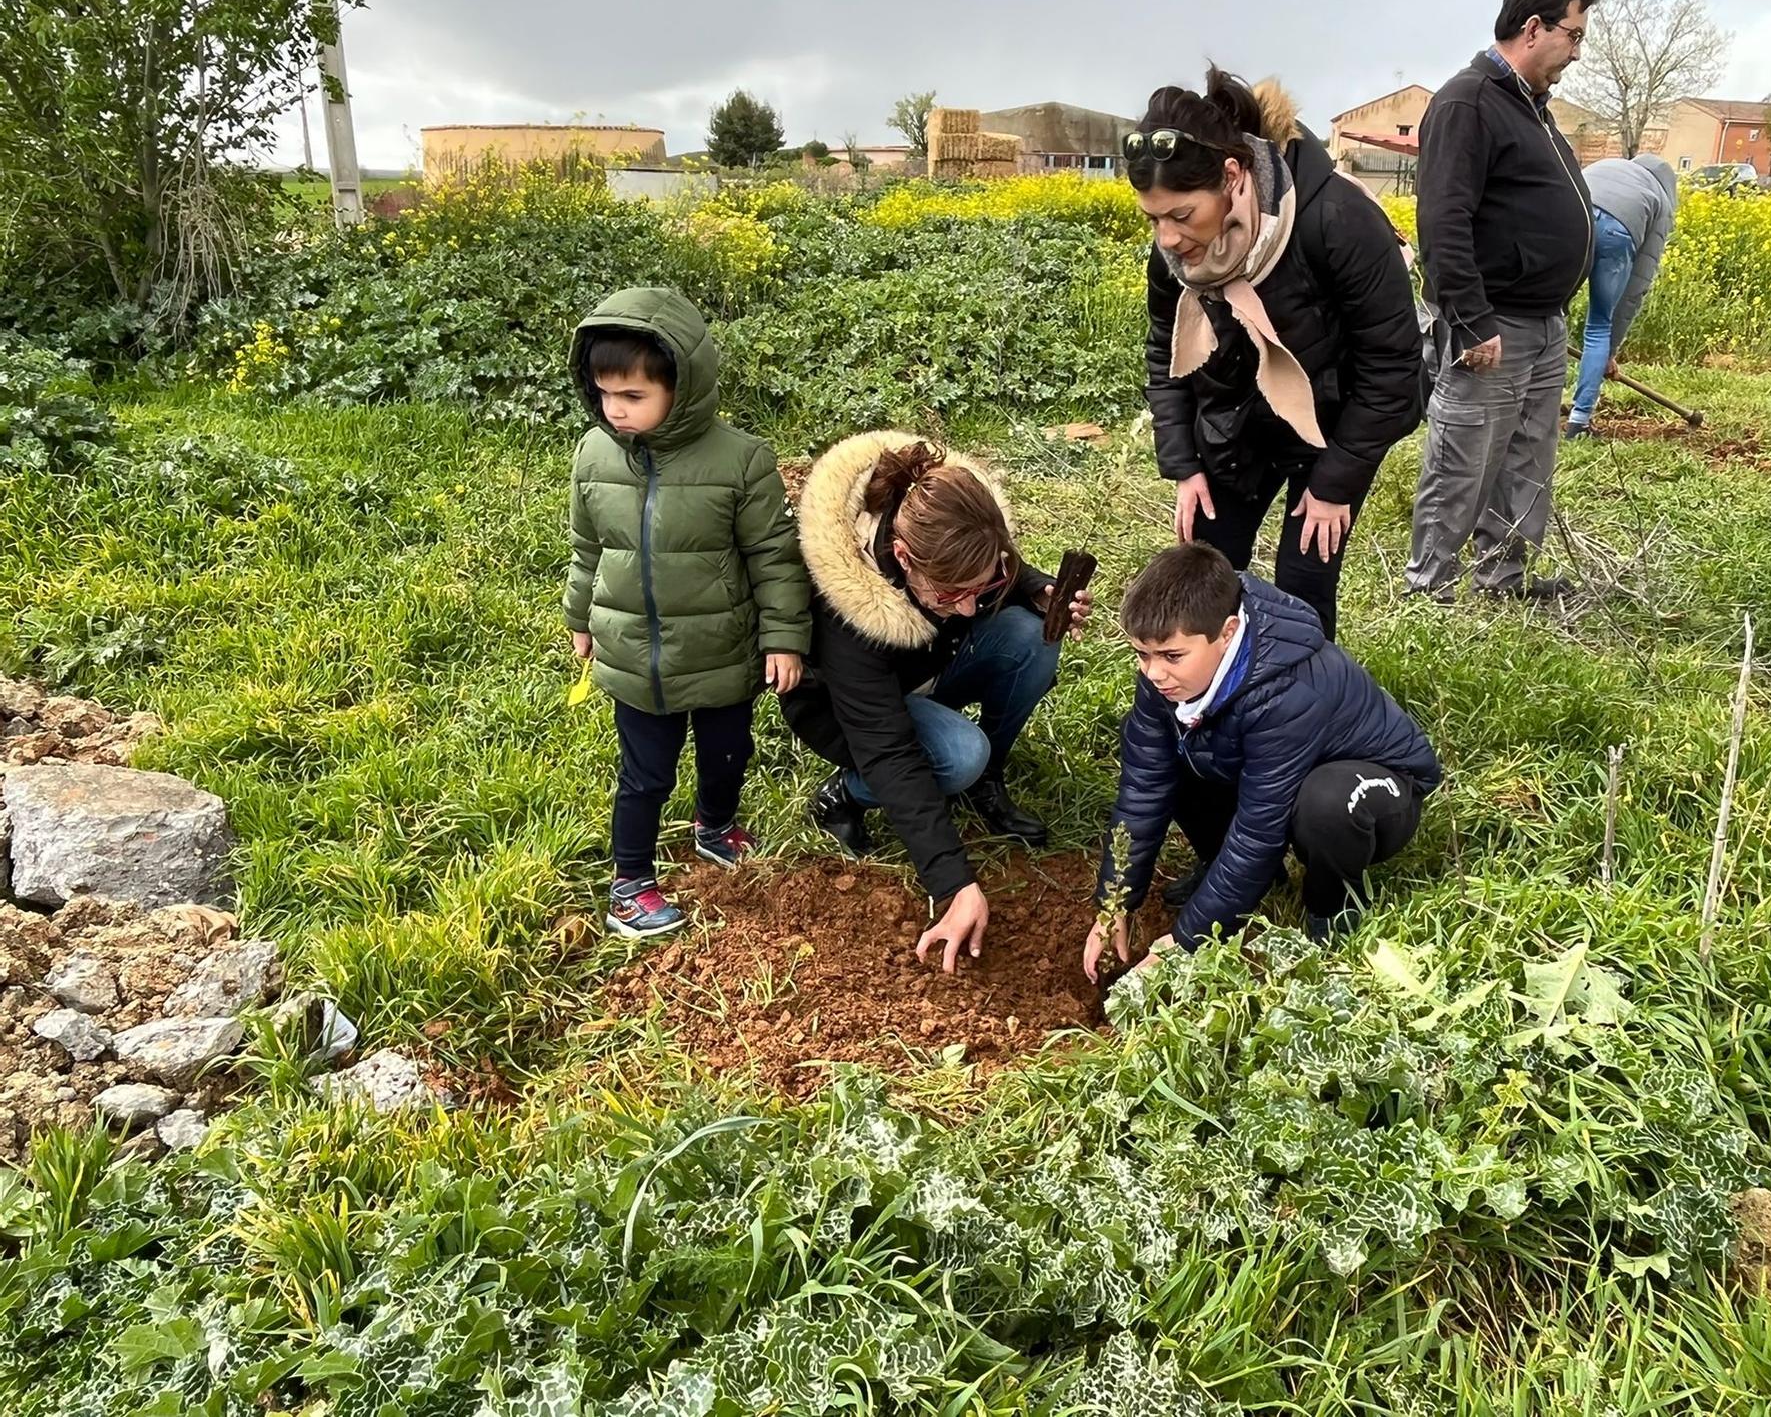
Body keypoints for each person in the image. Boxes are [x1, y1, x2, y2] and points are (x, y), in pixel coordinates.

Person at [1130, 67, 1422, 641]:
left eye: (1182, 215)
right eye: (1154, 218)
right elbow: (1165, 357)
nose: (1167, 238)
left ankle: (1300, 714)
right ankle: (1210, 712)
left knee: (1301, 585)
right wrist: (1184, 464)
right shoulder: (1175, 259)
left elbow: (1394, 367)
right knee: (1208, 574)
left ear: (1233, 176)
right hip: (1236, 422)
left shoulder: (1334, 220)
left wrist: (1335, 483)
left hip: (1333, 425)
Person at [784, 431, 1090, 973]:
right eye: (950, 594)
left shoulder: (955, 529)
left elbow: (997, 573)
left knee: (1028, 639)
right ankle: (845, 794)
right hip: (853, 714)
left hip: (925, 667)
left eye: (983, 584)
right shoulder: (848, 607)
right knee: (957, 756)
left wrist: (1036, 588)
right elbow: (890, 751)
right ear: (902, 556)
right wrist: (954, 882)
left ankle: (986, 781)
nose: (971, 609)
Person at [564, 287, 810, 939]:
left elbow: (773, 557)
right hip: (634, 654)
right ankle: (631, 882)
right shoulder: (593, 455)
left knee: (728, 752)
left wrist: (784, 637)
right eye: (604, 394)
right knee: (643, 775)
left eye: (633, 397)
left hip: (722, 648)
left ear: (685, 384)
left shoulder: (741, 460)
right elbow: (588, 547)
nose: (614, 411)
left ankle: (715, 824)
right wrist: (579, 618)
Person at [1082, 543, 1441, 982]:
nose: (1154, 672)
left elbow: (1258, 830)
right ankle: (1248, 877)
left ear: (1227, 632)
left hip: (1376, 787)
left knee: (1325, 805)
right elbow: (1144, 790)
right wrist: (1114, 902)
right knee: (1169, 750)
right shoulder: (1165, 680)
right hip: (1280, 773)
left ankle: (1333, 909)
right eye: (1142, 654)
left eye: (1172, 656)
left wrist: (1188, 939)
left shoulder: (1287, 691)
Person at [1404, 0, 1598, 602]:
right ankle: (1429, 586)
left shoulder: (1532, 108)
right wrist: (1471, 318)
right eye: (1573, 35)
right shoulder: (1469, 102)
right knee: (1464, 456)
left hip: (1542, 324)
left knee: (1527, 459)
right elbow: (1443, 219)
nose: (1576, 51)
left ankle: (1503, 577)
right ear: (1533, 27)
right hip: (1493, 322)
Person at [1565, 154, 1681, 438]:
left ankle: (1530, 404)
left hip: (1569, 216)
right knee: (1599, 325)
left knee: (1549, 312)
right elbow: (1635, 287)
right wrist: (1609, 350)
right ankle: (1579, 422)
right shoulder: (1661, 202)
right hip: (1617, 231)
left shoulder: (1609, 164)